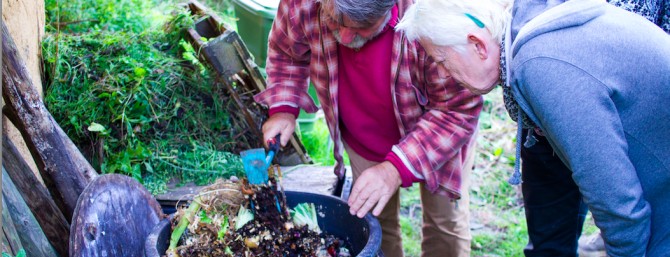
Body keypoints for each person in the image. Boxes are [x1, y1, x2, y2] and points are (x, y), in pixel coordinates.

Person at [397, 0, 670, 257]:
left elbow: (619, 207)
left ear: (478, 45)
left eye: (443, 61)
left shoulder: (542, 68)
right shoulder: (531, 33)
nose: (444, 74)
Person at [253, 0, 483, 256]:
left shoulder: (439, 15)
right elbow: (287, 51)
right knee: (374, 223)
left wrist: (396, 168)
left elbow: (456, 110)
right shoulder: (303, 3)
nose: (346, 36)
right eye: (336, 22)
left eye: (362, 27)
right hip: (364, 133)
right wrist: (284, 107)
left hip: (439, 135)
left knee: (444, 227)